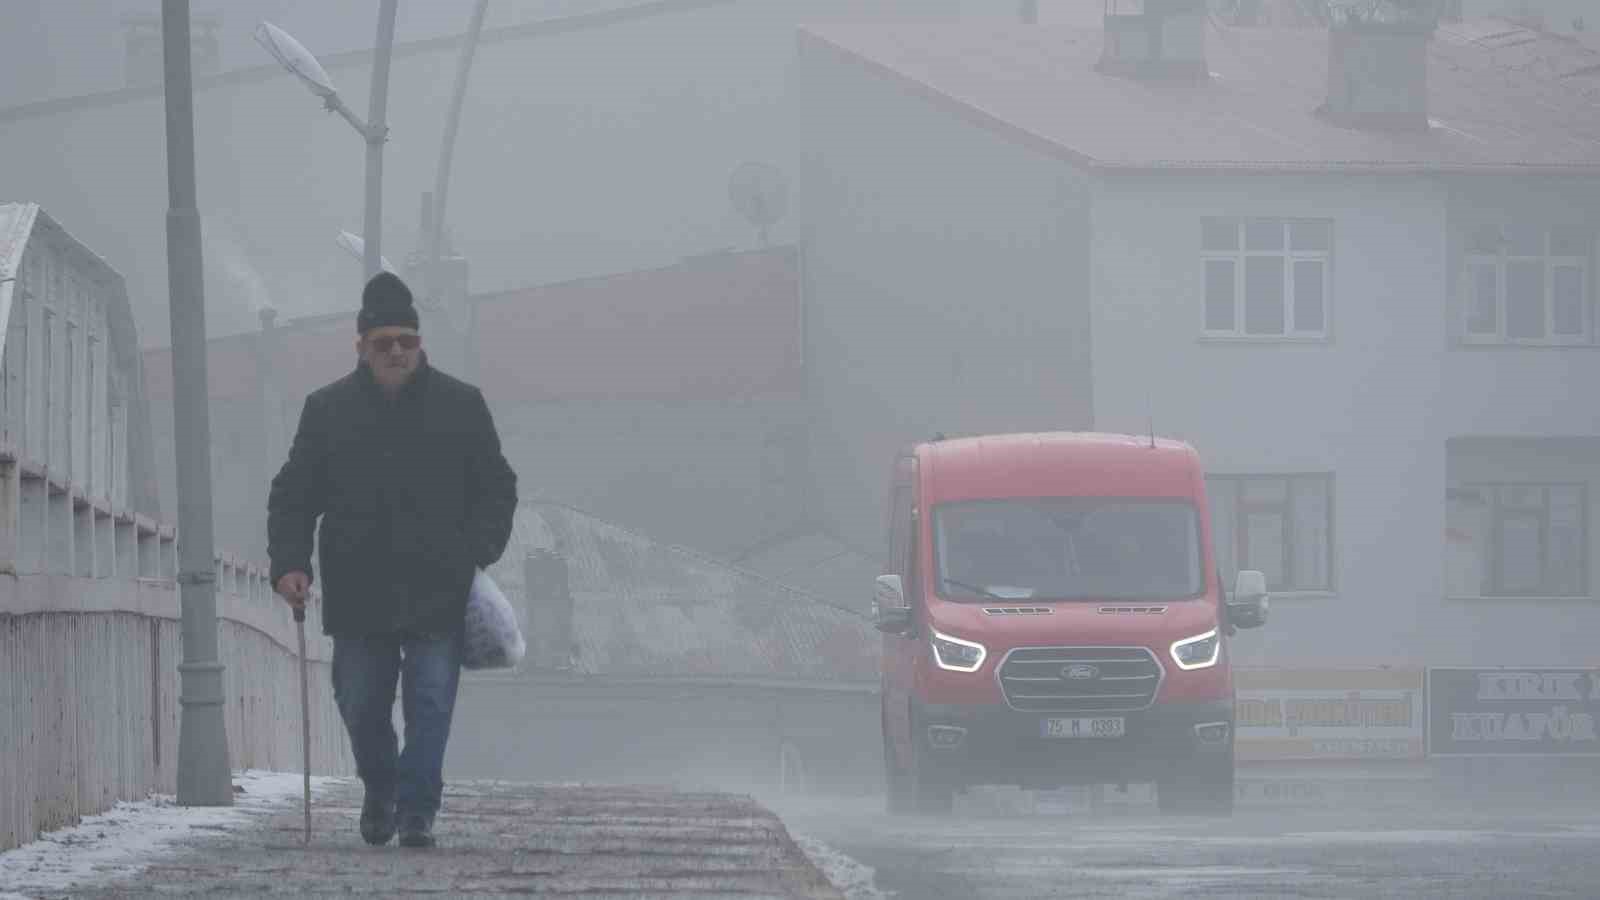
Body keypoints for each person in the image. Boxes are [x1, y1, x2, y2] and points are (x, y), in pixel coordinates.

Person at [268, 272, 517, 849]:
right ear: (361, 348)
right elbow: (295, 494)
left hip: (440, 584)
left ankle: (416, 811)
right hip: (359, 590)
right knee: (361, 701)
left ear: (420, 343)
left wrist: (477, 550)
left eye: (407, 340)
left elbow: (496, 487)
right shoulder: (327, 410)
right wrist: (289, 563)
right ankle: (380, 789)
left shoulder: (461, 405)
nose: (398, 351)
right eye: (385, 342)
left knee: (430, 702)